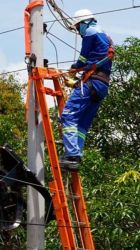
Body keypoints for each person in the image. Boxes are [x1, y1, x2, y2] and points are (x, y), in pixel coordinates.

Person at [59, 9, 113, 171]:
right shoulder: (105, 36)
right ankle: (76, 155)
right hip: (102, 85)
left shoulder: (90, 31)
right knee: (82, 124)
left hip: (92, 82)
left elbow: (83, 59)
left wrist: (74, 68)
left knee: (68, 115)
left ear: (84, 22)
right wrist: (76, 79)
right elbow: (95, 59)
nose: (78, 30)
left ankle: (72, 154)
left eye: (77, 27)